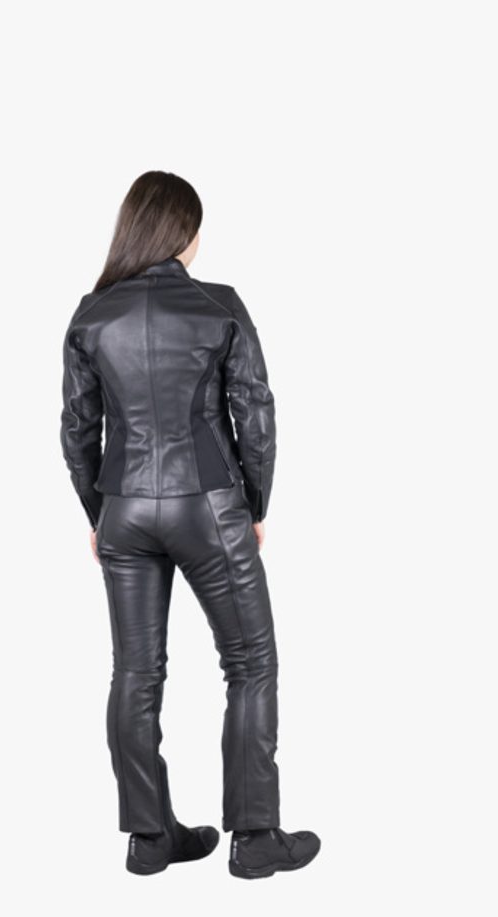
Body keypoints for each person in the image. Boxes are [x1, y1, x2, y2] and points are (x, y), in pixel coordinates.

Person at [59, 170, 320, 879]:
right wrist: (255, 505)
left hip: (123, 508)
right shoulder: (218, 306)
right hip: (207, 504)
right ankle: (255, 837)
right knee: (251, 662)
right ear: (184, 233)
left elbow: (77, 429)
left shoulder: (92, 314)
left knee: (135, 672)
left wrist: (99, 512)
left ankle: (150, 838)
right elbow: (255, 414)